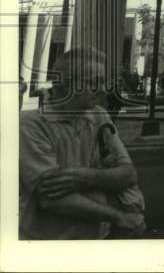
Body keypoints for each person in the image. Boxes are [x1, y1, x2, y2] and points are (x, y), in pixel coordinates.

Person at [19, 47, 146, 239]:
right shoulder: (29, 126)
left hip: (97, 238)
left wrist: (87, 177)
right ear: (66, 85)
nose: (103, 89)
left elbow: (129, 174)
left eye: (104, 82)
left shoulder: (99, 116)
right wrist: (119, 217)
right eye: (95, 82)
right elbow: (52, 199)